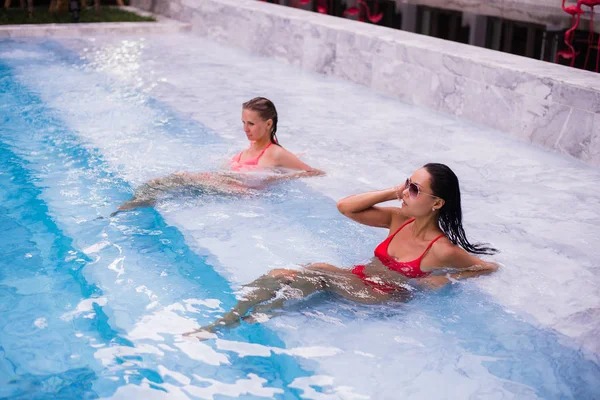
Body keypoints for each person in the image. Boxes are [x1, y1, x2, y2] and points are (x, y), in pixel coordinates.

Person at [185, 163, 499, 338]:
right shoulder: (399, 219)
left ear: (437, 203)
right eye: (407, 183)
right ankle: (232, 317)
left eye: (414, 189)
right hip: (359, 278)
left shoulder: (441, 249)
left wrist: (447, 280)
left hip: (384, 295)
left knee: (317, 273)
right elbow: (345, 207)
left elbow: (485, 267)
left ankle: (250, 319)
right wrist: (393, 191)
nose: (406, 192)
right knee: (285, 272)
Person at [113, 97, 324, 215]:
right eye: (243, 122)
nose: (245, 128)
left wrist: (275, 179)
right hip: (226, 185)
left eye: (251, 123)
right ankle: (139, 204)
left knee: (176, 179)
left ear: (268, 124)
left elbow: (314, 172)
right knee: (161, 183)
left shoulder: (276, 153)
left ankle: (132, 207)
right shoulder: (249, 148)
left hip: (239, 192)